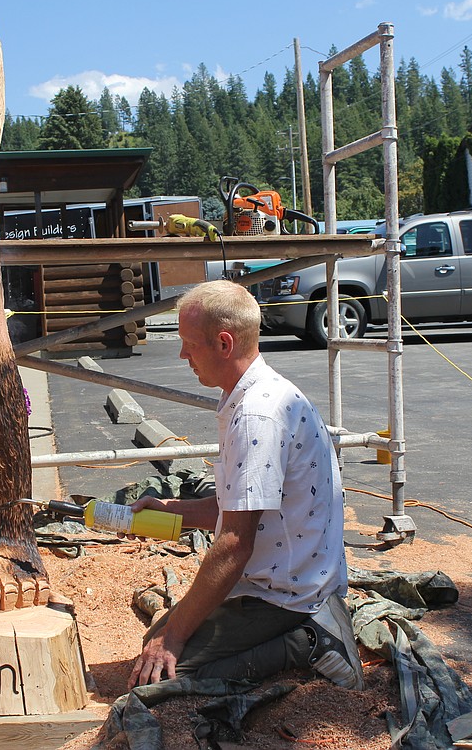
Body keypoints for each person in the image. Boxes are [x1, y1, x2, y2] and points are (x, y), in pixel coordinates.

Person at [128, 279, 362, 690]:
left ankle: (310, 642)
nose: (183, 354)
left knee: (164, 675)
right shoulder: (254, 394)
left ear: (223, 343)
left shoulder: (258, 414)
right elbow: (232, 507)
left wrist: (174, 635)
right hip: (286, 578)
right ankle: (314, 622)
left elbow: (236, 543)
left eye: (189, 344)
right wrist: (169, 510)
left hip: (287, 593)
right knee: (157, 642)